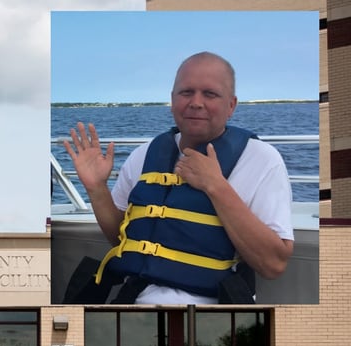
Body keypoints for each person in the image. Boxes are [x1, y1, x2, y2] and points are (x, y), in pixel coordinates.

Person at [63, 51, 294, 304]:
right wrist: (97, 189)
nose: (196, 102)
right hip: (135, 302)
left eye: (210, 94)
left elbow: (273, 265)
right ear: (172, 100)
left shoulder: (261, 160)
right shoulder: (145, 154)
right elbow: (122, 240)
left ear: (231, 105)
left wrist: (216, 186)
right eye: (186, 92)